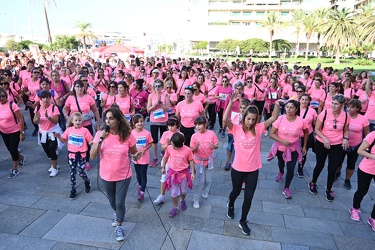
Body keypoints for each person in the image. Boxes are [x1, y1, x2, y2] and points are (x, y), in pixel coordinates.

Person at [223, 89, 282, 236]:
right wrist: (231, 102)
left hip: (253, 168)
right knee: (235, 192)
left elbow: (274, 117)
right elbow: (225, 120)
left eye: (253, 119)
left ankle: (243, 220)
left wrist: (276, 104)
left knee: (249, 196)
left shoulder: (259, 128)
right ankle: (231, 204)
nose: (251, 122)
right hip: (237, 168)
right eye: (248, 119)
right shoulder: (236, 129)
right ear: (243, 117)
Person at [90, 107, 141, 242]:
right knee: (112, 201)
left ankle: (119, 225)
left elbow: (134, 153)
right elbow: (93, 155)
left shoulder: (128, 135)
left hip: (124, 174)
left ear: (118, 120)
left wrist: (137, 156)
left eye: (111, 118)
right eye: (106, 118)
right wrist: (100, 140)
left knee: (119, 202)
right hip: (106, 175)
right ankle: (116, 213)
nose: (108, 121)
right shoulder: (100, 134)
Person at [308, 94, 350, 201]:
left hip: (337, 144)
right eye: (332, 103)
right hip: (322, 142)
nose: (333, 106)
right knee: (320, 164)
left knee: (332, 167)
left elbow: (346, 129)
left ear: (342, 105)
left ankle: (329, 189)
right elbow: (317, 129)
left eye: (336, 104)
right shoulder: (325, 113)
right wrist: (325, 138)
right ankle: (313, 182)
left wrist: (346, 138)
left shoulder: (345, 116)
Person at [268, 100, 309, 199]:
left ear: (296, 109)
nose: (288, 109)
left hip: (294, 148)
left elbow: (307, 133)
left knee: (290, 168)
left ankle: (286, 188)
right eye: (287, 107)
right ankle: (281, 171)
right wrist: (282, 140)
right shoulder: (280, 119)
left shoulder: (301, 121)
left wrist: (304, 146)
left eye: (291, 107)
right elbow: (271, 134)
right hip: (281, 147)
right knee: (281, 163)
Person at [54, 112, 93, 200]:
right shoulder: (69, 130)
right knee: (72, 173)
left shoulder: (85, 131)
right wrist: (58, 136)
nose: (78, 122)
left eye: (79, 120)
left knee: (81, 172)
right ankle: (73, 190)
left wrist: (93, 142)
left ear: (82, 121)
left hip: (82, 155)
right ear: (72, 121)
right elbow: (63, 140)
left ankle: (87, 181)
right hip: (72, 155)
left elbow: (90, 140)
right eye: (76, 120)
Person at [63, 80, 100, 171]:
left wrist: (98, 122)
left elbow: (95, 110)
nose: (79, 89)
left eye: (81, 86)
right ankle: (73, 158)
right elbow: (65, 109)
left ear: (84, 88)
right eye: (77, 87)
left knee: (87, 143)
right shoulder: (71, 98)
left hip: (86, 124)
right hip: (74, 126)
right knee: (73, 141)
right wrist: (67, 117)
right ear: (74, 88)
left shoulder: (88, 97)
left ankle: (86, 161)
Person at [335, 99, 369, 189]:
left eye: (352, 107)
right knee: (338, 161)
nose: (349, 109)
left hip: (355, 145)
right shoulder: (343, 116)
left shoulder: (363, 119)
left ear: (358, 108)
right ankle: (337, 173)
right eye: (348, 106)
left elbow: (367, 134)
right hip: (342, 143)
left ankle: (347, 179)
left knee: (351, 163)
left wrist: (365, 147)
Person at [161, 133, 195, 218]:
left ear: (181, 144)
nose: (173, 147)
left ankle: (182, 200)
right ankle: (175, 207)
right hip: (173, 173)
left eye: (175, 146)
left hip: (183, 173)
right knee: (174, 192)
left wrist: (193, 172)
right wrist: (163, 167)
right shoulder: (169, 148)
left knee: (183, 191)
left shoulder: (187, 150)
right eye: (172, 145)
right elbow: (165, 157)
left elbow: (191, 160)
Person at [349, 130, 375, 231]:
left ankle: (373, 218)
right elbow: (360, 150)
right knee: (362, 191)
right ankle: (355, 209)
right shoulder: (373, 135)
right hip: (366, 169)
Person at [190, 116, 218, 208]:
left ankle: (204, 191)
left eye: (200, 124)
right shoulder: (194, 136)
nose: (198, 127)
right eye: (196, 125)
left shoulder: (211, 133)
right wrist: (196, 147)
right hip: (198, 161)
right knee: (200, 182)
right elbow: (191, 150)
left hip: (209, 160)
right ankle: (196, 199)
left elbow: (216, 145)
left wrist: (213, 146)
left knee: (208, 180)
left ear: (205, 124)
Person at [33, 90, 62, 177]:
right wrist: (37, 118)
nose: (45, 99)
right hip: (43, 132)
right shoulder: (38, 108)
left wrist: (48, 117)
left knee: (52, 149)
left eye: (47, 98)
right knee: (46, 149)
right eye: (43, 98)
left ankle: (54, 168)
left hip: (53, 131)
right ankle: (54, 163)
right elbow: (35, 121)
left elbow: (56, 121)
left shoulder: (54, 108)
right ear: (41, 99)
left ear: (50, 98)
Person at [154, 116, 182, 204]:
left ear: (177, 125)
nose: (170, 128)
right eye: (169, 126)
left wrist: (172, 143)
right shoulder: (165, 134)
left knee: (176, 176)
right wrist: (168, 144)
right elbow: (162, 147)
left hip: (177, 159)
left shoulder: (180, 135)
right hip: (167, 158)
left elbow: (181, 147)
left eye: (173, 125)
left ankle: (177, 189)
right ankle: (161, 195)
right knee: (164, 177)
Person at [0, 87, 26, 178]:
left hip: (15, 131)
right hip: (4, 132)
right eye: (0, 96)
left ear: (6, 95)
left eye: (3, 96)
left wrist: (22, 132)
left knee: (12, 150)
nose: (1, 98)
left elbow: (21, 119)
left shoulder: (12, 105)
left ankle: (15, 169)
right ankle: (21, 157)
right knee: (10, 150)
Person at [147, 79, 170, 167]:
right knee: (154, 140)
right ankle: (155, 158)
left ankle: (164, 154)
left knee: (163, 139)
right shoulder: (151, 96)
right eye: (155, 86)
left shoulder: (166, 95)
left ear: (162, 87)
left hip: (164, 121)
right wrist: (155, 105)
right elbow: (148, 109)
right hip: (154, 121)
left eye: (158, 86)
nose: (157, 88)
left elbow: (167, 109)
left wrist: (161, 104)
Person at [131, 114, 153, 202]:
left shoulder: (147, 133)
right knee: (138, 174)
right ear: (134, 123)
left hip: (144, 158)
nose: (140, 124)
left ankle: (142, 192)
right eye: (137, 122)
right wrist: (132, 153)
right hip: (135, 157)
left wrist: (144, 150)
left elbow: (150, 143)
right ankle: (140, 186)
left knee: (143, 174)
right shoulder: (131, 133)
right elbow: (130, 144)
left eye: (141, 122)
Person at [297, 94, 317, 177]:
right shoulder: (295, 109)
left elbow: (315, 123)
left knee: (304, 151)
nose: (304, 101)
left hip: (307, 134)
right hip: (295, 134)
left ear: (309, 101)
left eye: (306, 100)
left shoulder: (312, 111)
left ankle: (300, 167)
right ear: (299, 100)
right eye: (302, 99)